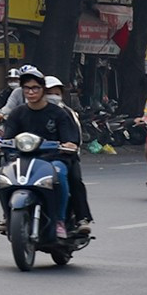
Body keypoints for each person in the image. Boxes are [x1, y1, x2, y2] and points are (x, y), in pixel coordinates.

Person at [0, 66, 83, 238]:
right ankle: (8, 216)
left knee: (60, 175)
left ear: (43, 89)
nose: (31, 92)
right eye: (27, 88)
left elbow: (70, 138)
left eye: (35, 88)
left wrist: (69, 144)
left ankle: (59, 220)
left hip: (54, 159)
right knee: (2, 176)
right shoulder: (17, 113)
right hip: (23, 158)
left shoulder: (59, 113)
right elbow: (8, 136)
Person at [43, 75, 93, 228]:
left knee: (74, 180)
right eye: (48, 92)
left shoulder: (67, 113)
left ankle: (81, 217)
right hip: (36, 157)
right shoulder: (28, 111)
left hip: (63, 156)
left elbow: (75, 138)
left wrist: (70, 146)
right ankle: (8, 216)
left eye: (55, 92)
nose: (52, 96)